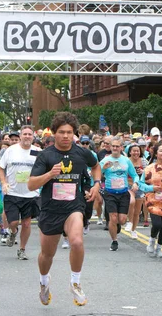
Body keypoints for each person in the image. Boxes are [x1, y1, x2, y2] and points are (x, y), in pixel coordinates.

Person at [28, 112, 101, 307]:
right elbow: (31, 185)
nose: (66, 136)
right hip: (51, 209)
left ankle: (75, 282)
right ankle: (44, 283)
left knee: (76, 241)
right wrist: (50, 174)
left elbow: (96, 166)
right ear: (54, 133)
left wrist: (96, 184)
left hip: (73, 206)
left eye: (69, 132)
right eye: (62, 132)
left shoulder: (81, 152)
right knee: (47, 255)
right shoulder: (46, 156)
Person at [0, 125, 41, 260]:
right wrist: (4, 183)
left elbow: (45, 170)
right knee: (14, 222)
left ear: (33, 137)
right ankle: (12, 232)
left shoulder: (38, 152)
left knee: (27, 223)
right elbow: (0, 168)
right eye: (25, 134)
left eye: (29, 134)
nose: (27, 136)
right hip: (12, 193)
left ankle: (22, 249)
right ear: (20, 136)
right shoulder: (10, 150)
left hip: (31, 194)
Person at [99, 136, 139, 251]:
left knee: (121, 220)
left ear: (121, 147)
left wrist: (135, 183)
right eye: (113, 146)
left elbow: (135, 175)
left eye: (117, 146)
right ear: (110, 147)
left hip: (123, 192)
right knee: (113, 217)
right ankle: (114, 241)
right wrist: (103, 169)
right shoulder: (105, 160)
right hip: (110, 192)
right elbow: (96, 175)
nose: (115, 148)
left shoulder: (126, 160)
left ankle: (117, 225)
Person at [127, 144, 147, 239]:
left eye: (137, 151)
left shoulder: (143, 161)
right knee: (131, 202)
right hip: (127, 185)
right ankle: (129, 222)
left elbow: (149, 173)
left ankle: (134, 230)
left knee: (137, 211)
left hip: (139, 186)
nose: (136, 153)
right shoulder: (126, 161)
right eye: (134, 151)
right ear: (130, 152)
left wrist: (143, 172)